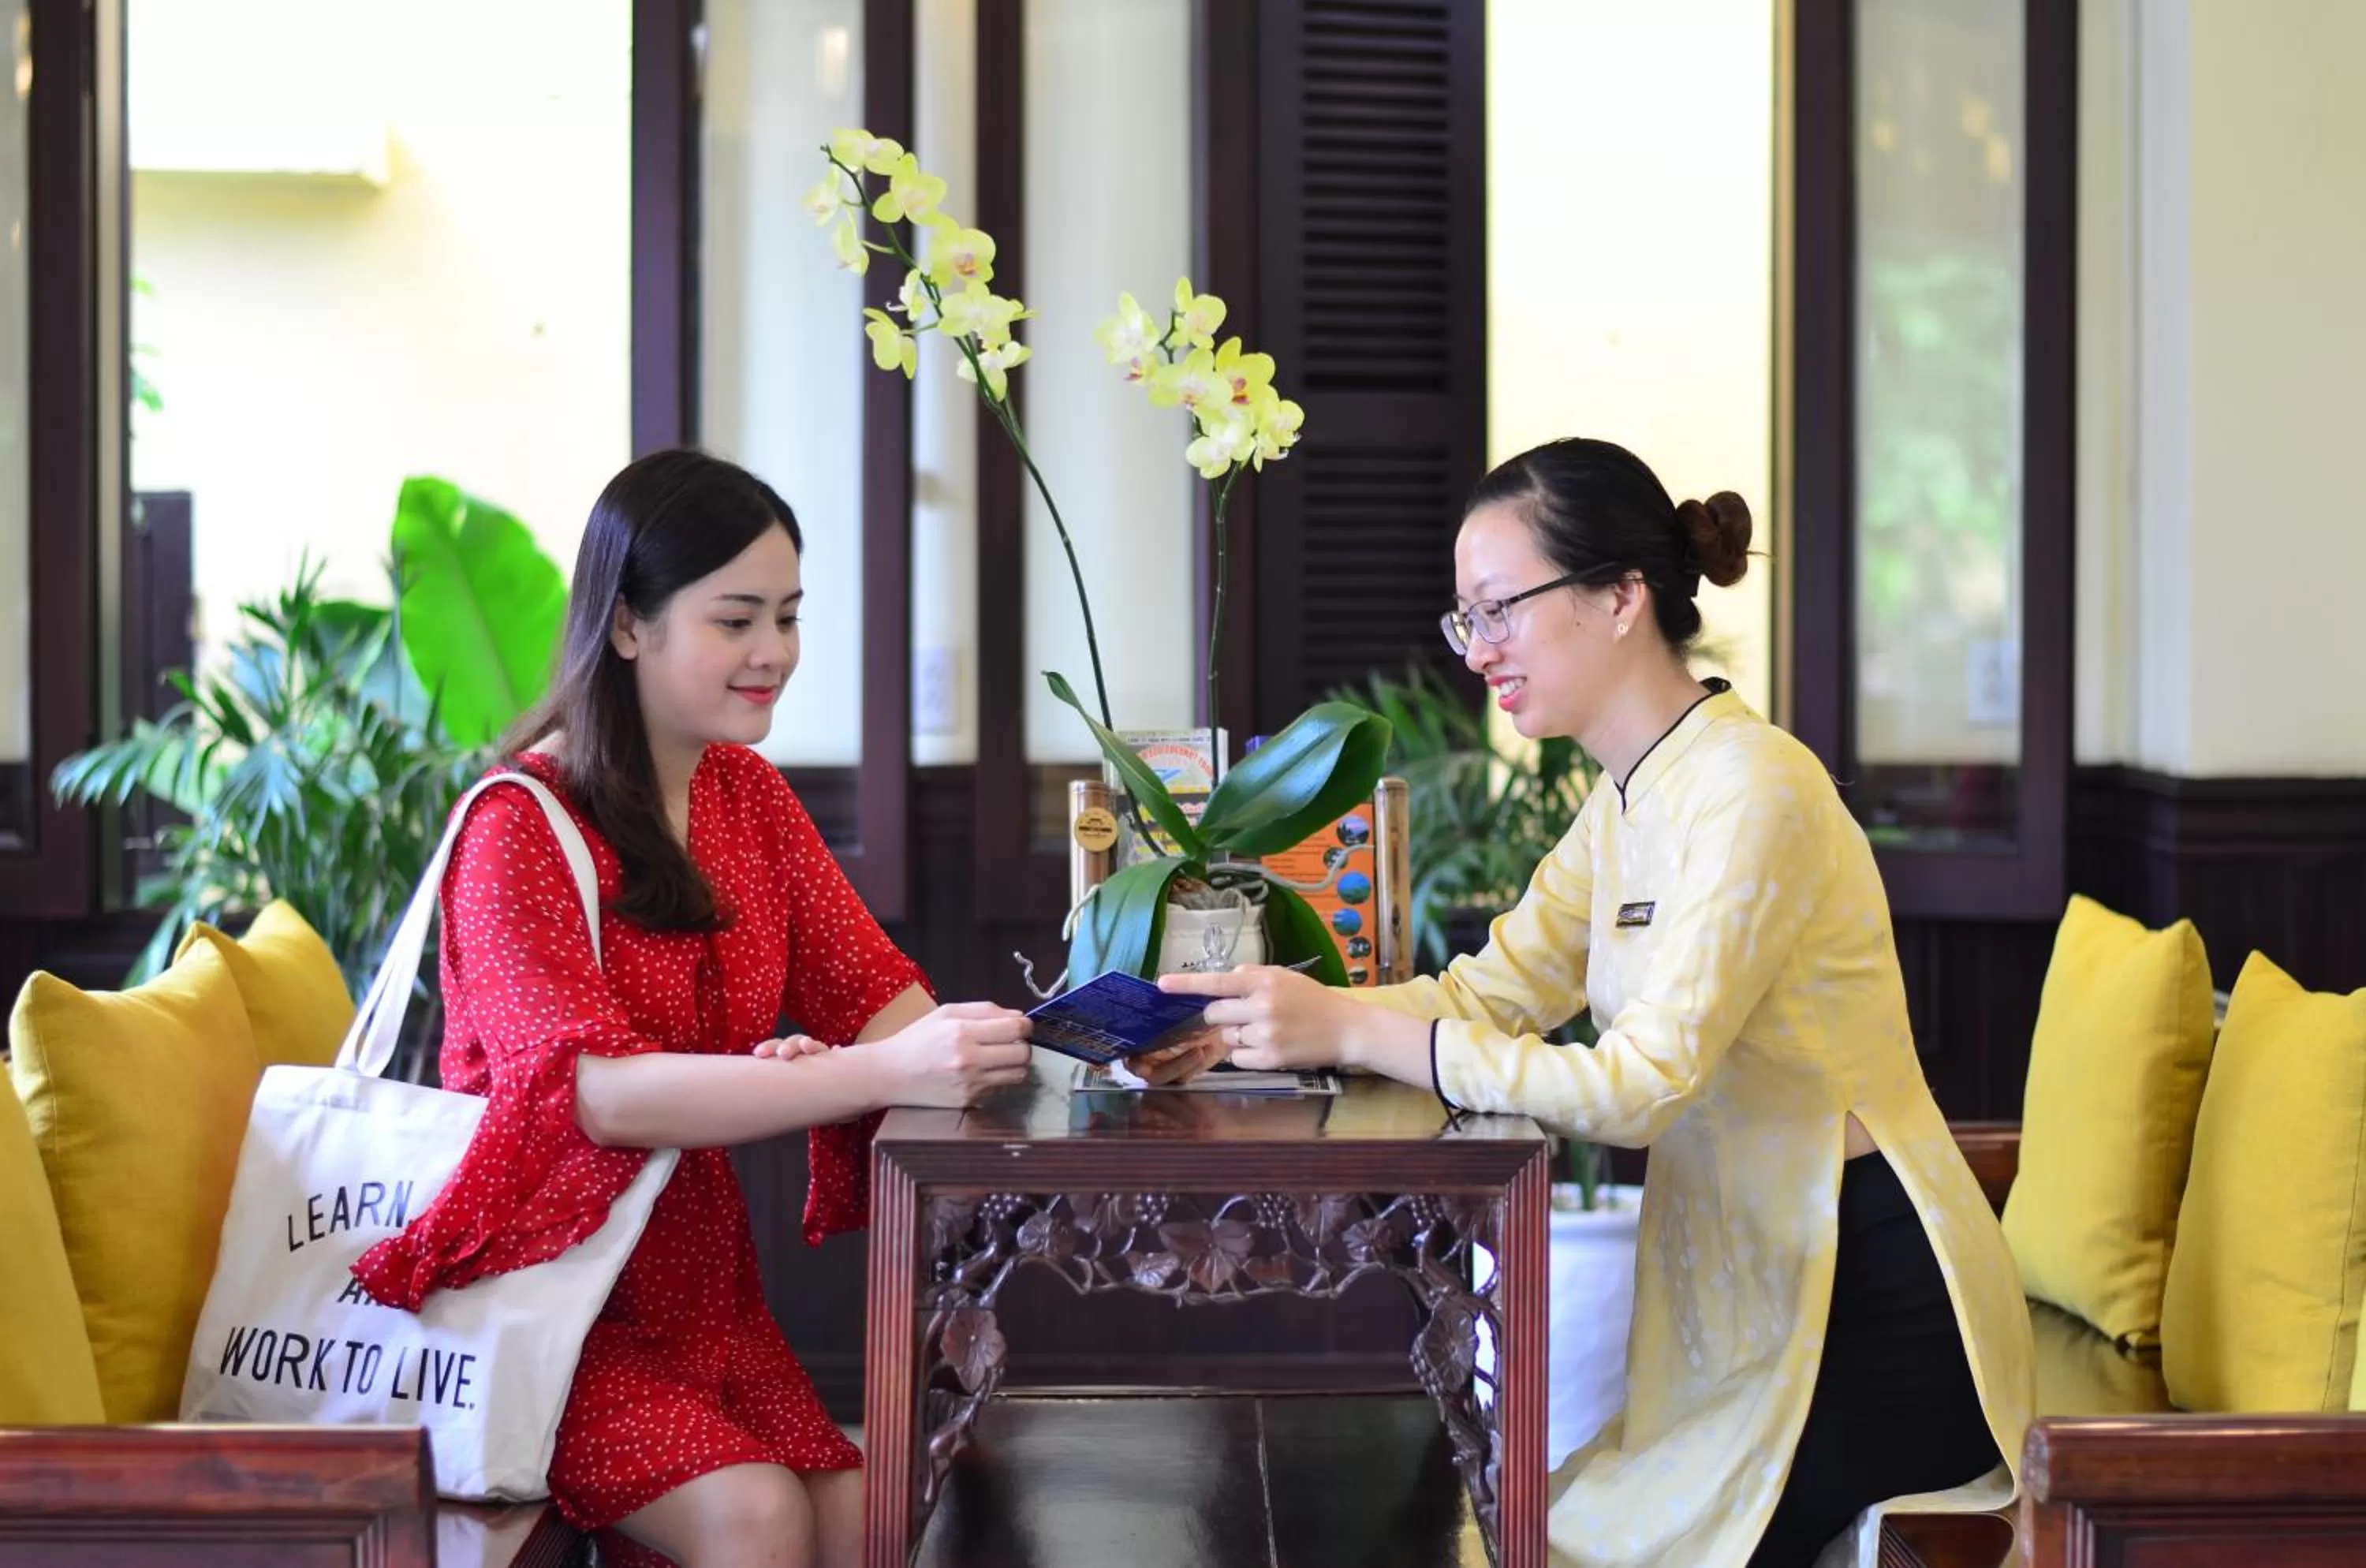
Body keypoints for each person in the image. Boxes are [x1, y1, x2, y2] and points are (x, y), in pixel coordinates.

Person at [1159, 438, 2034, 1566]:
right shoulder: (1626, 799)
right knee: (1547, 1520)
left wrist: (1363, 1029)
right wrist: (1263, 1025)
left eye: (1500, 610)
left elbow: (1640, 1090)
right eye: (1465, 618)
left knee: (1578, 1540)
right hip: (1751, 1291)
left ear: (1623, 598)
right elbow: (1487, 993)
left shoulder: (1752, 787)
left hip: (1867, 1300)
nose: (1479, 650)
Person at [351, 449, 1035, 1568]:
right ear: (628, 626)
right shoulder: (518, 823)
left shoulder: (742, 794)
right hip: (546, 1309)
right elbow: (596, 1098)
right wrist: (864, 1076)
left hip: (701, 1294)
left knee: (869, 1519)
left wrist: (1056, 1052)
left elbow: (881, 1008)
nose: (774, 653)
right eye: (735, 619)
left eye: (788, 616)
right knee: (754, 1518)